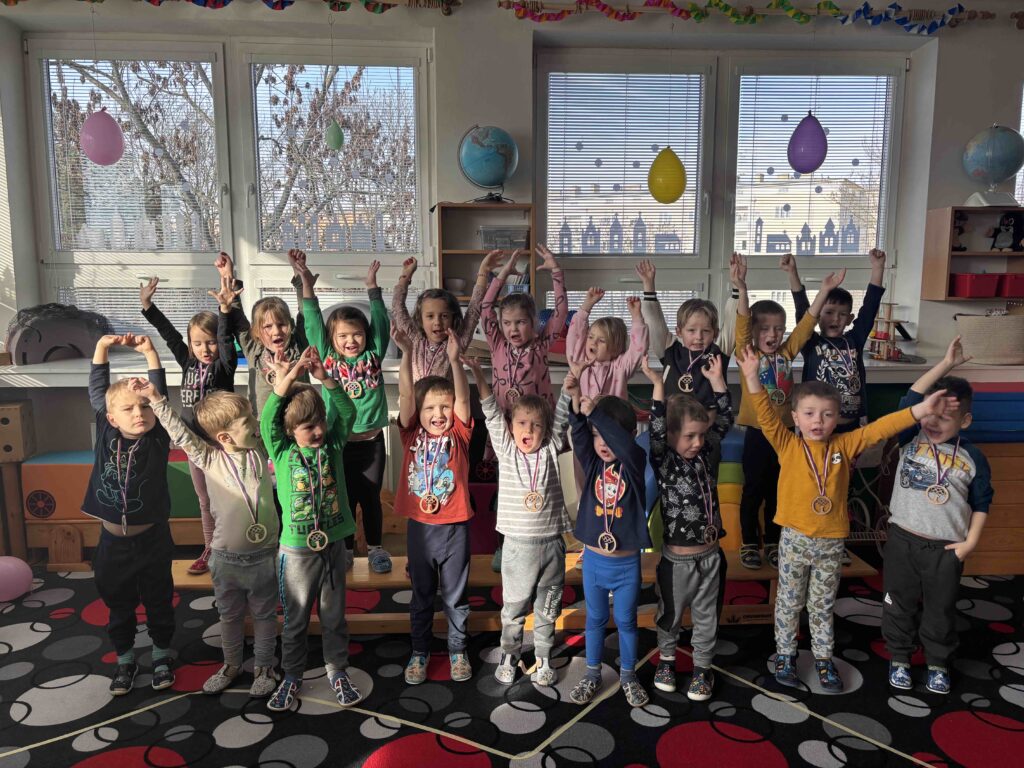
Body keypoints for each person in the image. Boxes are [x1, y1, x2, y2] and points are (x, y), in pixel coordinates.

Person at [735, 344, 959, 693]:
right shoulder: (787, 444)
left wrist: (920, 410)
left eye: (827, 414)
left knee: (822, 605)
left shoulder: (844, 445)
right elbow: (764, 413)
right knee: (789, 603)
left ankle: (824, 659)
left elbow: (882, 428)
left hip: (830, 542)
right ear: (795, 417)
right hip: (794, 539)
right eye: (809, 414)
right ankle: (785, 655)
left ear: (838, 417)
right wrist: (751, 376)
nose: (818, 421)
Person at [142, 385, 279, 697]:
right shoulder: (208, 458)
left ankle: (263, 667)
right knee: (229, 617)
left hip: (264, 556)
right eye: (247, 421)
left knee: (265, 617)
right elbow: (180, 434)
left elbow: (272, 416)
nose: (255, 424)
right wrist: (156, 400)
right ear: (225, 436)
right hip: (226, 560)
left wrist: (282, 377)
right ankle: (231, 665)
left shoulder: (260, 450)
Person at [882, 336, 993, 695]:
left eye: (945, 417)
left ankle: (937, 662)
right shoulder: (910, 437)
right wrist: (945, 365)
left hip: (946, 549)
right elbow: (910, 399)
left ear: (965, 420)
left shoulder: (972, 458)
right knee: (898, 601)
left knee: (940, 609)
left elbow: (982, 503)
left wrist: (970, 543)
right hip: (902, 539)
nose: (933, 421)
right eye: (930, 413)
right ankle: (900, 656)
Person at [261, 347, 362, 711]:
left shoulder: (332, 445)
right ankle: (292, 675)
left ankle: (337, 670)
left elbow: (347, 412)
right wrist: (286, 380)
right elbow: (267, 420)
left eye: (319, 422)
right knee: (295, 620)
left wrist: (325, 379)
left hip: (333, 546)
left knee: (334, 616)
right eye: (308, 427)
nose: (318, 430)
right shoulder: (282, 451)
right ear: (291, 431)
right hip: (297, 552)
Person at [464, 355, 573, 687]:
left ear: (545, 431)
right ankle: (510, 654)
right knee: (513, 609)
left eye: (536, 425)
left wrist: (570, 386)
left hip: (552, 546)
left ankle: (543, 656)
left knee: (548, 607)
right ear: (511, 428)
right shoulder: (507, 451)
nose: (529, 430)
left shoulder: (551, 449)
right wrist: (479, 374)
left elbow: (562, 417)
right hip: (516, 548)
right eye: (522, 423)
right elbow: (491, 411)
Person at [733, 254, 846, 570]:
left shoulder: (786, 353)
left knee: (778, 490)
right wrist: (742, 287)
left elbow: (807, 324)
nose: (773, 335)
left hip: (786, 437)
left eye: (779, 329)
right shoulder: (747, 353)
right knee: (753, 491)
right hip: (758, 435)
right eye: (765, 329)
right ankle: (748, 542)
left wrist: (824, 291)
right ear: (754, 332)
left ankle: (772, 541)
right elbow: (742, 325)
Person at [83, 333, 176, 696]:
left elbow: (158, 392)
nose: (139, 413)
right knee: (118, 605)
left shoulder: (157, 439)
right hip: (112, 544)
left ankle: (161, 655)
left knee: (158, 601)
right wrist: (101, 348)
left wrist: (151, 353)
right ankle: (125, 660)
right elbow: (97, 389)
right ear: (110, 417)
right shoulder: (106, 433)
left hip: (152, 540)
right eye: (129, 409)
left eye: (145, 407)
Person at [641, 355, 733, 701]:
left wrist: (718, 381)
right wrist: (658, 387)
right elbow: (656, 429)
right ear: (671, 435)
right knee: (670, 614)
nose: (697, 442)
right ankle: (666, 661)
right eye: (689, 436)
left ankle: (702, 668)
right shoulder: (665, 460)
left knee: (708, 616)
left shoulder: (707, 454)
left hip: (710, 556)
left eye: (701, 435)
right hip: (676, 562)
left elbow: (725, 419)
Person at [139, 270, 240, 575]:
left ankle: (233, 546)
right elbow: (170, 335)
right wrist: (148, 306)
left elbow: (226, 339)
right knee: (204, 500)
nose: (205, 349)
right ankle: (210, 547)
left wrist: (225, 311)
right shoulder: (188, 362)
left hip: (220, 445)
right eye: (198, 343)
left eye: (210, 343)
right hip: (194, 444)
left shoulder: (224, 366)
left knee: (230, 497)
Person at [297, 252, 393, 573]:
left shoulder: (374, 354)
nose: (351, 341)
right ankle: (347, 549)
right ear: (332, 339)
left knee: (371, 497)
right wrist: (307, 285)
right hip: (340, 444)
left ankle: (376, 549)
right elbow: (313, 322)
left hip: (372, 443)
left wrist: (372, 288)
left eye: (357, 334)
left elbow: (381, 322)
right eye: (343, 336)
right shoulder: (327, 359)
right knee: (345, 498)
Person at [392, 327, 475, 686]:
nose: (438, 413)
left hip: (455, 528)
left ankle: (457, 649)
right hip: (420, 530)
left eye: (444, 407)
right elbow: (406, 394)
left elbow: (464, 401)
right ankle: (420, 651)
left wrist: (455, 362)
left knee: (456, 597)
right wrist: (407, 353)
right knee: (422, 595)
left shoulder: (459, 434)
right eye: (429, 408)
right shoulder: (410, 433)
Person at [482, 245, 568, 572]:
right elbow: (486, 307)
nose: (513, 329)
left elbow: (561, 312)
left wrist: (556, 272)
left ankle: (550, 539)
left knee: (545, 485)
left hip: (539, 432)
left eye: (520, 322)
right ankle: (504, 545)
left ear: (534, 323)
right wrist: (503, 274)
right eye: (507, 323)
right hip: (507, 435)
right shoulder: (496, 343)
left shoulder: (542, 345)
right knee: (506, 492)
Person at [566, 386, 651, 708]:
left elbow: (627, 448)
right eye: (597, 435)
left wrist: (597, 415)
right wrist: (577, 408)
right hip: (594, 562)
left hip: (626, 566)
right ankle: (592, 674)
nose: (603, 443)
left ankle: (628, 675)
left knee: (627, 621)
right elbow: (579, 435)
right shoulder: (592, 465)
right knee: (595, 619)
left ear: (629, 436)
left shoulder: (634, 463)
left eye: (609, 436)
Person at [782, 249, 887, 433]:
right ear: (818, 316)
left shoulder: (855, 339)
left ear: (849, 318)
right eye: (829, 312)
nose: (835, 319)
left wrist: (878, 268)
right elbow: (802, 309)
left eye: (842, 314)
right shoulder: (810, 342)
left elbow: (870, 307)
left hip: (849, 427)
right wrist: (792, 272)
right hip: (816, 427)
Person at [217, 251, 309, 417]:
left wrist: (299, 275)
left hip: (299, 422)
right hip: (262, 424)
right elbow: (238, 319)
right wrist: (228, 277)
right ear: (257, 331)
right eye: (268, 326)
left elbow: (306, 311)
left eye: (282, 324)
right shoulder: (254, 349)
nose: (276, 331)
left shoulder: (299, 344)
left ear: (290, 324)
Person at [391, 250, 503, 380]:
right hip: (413, 394)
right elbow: (397, 307)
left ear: (453, 318)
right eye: (430, 316)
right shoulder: (414, 340)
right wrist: (405, 276)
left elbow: (474, 310)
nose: (437, 322)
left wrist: (483, 272)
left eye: (444, 316)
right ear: (420, 319)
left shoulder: (456, 343)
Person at [565, 289, 648, 400]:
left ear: (615, 349)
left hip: (614, 412)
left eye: (602, 340)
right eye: (590, 337)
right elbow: (575, 335)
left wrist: (637, 317)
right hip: (582, 411)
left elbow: (638, 349)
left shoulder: (621, 367)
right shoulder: (579, 361)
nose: (593, 342)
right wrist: (587, 305)